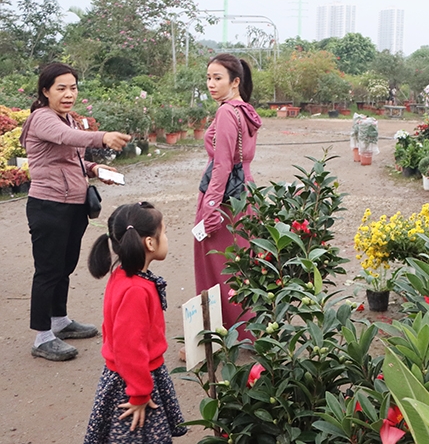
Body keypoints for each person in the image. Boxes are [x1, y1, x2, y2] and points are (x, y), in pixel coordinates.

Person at [20, 62, 131, 362]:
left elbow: (72, 159)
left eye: (73, 87)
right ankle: (42, 337)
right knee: (48, 270)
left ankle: (60, 321)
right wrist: (103, 136)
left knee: (65, 265)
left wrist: (96, 169)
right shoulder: (42, 118)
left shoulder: (68, 118)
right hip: (48, 205)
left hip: (73, 204)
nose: (69, 94)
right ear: (45, 91)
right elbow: (69, 140)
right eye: (61, 88)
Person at [84, 202, 187, 442]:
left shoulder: (123, 275)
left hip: (132, 376)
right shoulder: (135, 290)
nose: (167, 238)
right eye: (164, 232)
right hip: (132, 382)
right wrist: (140, 394)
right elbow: (128, 347)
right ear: (150, 243)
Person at [195, 54, 261, 336]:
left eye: (217, 78)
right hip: (245, 193)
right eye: (208, 78)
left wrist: (209, 208)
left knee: (216, 266)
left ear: (235, 81)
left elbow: (222, 164)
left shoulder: (225, 112)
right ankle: (248, 329)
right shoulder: (245, 110)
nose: (211, 84)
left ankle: (219, 333)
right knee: (238, 265)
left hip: (222, 199)